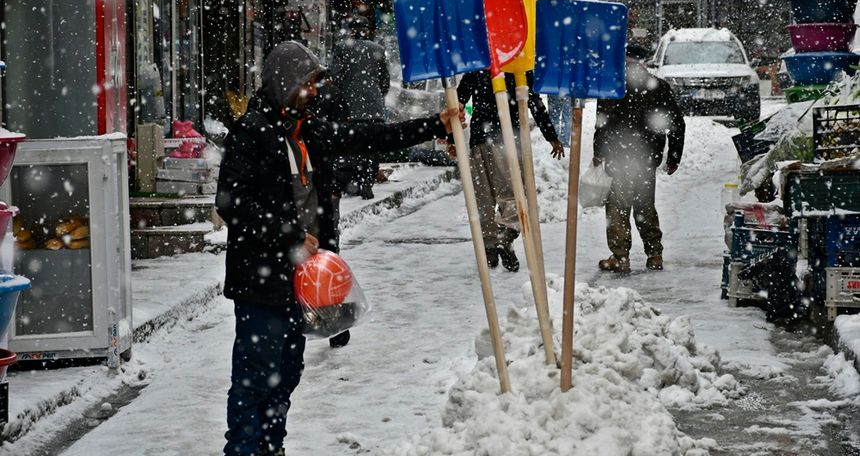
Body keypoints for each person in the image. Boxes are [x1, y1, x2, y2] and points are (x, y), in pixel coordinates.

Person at [216, 41, 463, 456]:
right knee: (255, 378)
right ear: (286, 83)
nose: (314, 91)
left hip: (299, 281)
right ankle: (242, 450)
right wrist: (289, 235)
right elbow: (231, 202)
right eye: (308, 83)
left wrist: (434, 125)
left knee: (287, 372)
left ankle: (272, 447)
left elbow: (369, 135)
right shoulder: (253, 133)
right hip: (260, 280)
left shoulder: (305, 129)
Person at [455, 69, 565, 272]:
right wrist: (551, 136)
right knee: (513, 195)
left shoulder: (478, 63)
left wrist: (450, 136)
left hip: (479, 141)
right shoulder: (517, 63)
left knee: (483, 199)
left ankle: (489, 247)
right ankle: (505, 235)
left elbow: (458, 101)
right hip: (506, 140)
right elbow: (534, 102)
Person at [592, 45, 686, 274]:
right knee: (645, 205)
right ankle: (654, 254)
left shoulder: (613, 86)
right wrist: (674, 156)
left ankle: (620, 257)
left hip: (618, 157)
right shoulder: (658, 87)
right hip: (646, 158)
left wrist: (599, 152)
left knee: (617, 208)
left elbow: (602, 123)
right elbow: (676, 123)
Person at [330, 15, 390, 199]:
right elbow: (385, 81)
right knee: (371, 145)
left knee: (353, 145)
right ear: (367, 30)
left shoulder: (341, 48)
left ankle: (352, 182)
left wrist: (343, 95)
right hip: (374, 107)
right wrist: (376, 94)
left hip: (350, 107)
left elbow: (335, 77)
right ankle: (367, 183)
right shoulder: (378, 49)